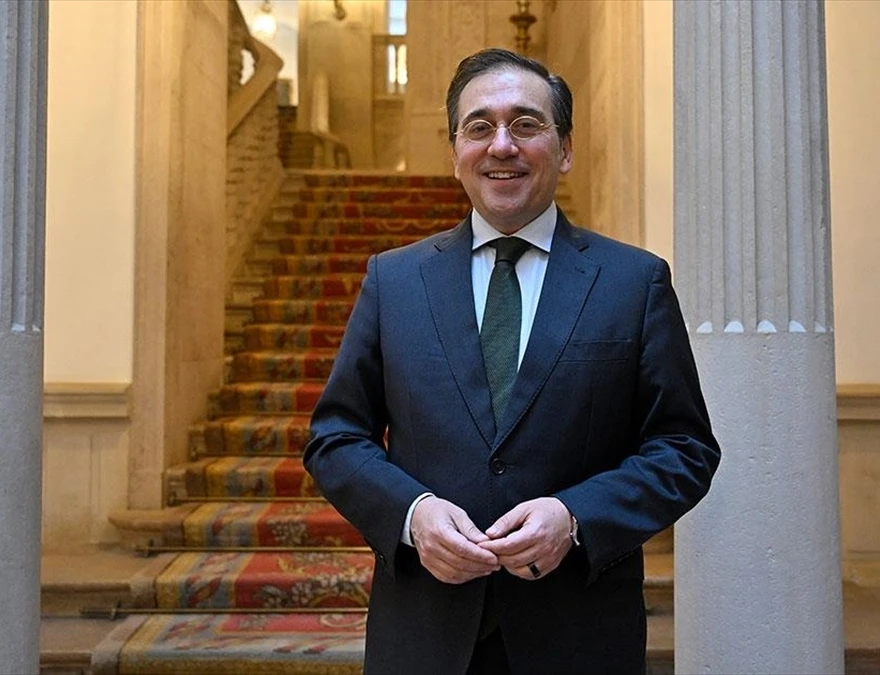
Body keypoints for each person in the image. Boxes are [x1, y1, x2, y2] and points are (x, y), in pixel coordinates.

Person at [304, 48, 720, 674]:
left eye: (526, 124)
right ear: (455, 152)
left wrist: (576, 518)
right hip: (425, 635)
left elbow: (684, 448)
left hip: (578, 636)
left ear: (565, 148)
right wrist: (412, 515)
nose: (502, 145)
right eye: (479, 127)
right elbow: (335, 438)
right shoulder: (394, 282)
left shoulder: (634, 283)